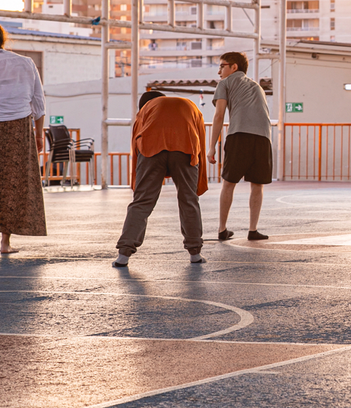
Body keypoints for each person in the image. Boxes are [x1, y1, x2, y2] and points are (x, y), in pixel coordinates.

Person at [113, 92, 209, 267]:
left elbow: (136, 142)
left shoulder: (146, 110)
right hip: (186, 147)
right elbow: (201, 140)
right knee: (188, 200)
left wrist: (137, 184)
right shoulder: (189, 104)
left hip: (151, 147)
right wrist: (200, 178)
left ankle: (123, 255)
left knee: (142, 202)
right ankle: (195, 253)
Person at [0, 21, 46, 255]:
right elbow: (38, 103)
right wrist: (39, 135)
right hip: (19, 129)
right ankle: (5, 243)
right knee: (14, 184)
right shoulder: (26, 63)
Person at [209, 52, 272, 242]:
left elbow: (219, 115)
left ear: (234, 67)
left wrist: (211, 147)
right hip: (263, 138)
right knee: (257, 184)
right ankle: (253, 230)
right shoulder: (257, 86)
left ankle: (222, 230)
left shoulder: (225, 84)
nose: (219, 71)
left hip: (239, 135)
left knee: (229, 183)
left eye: (222, 66)